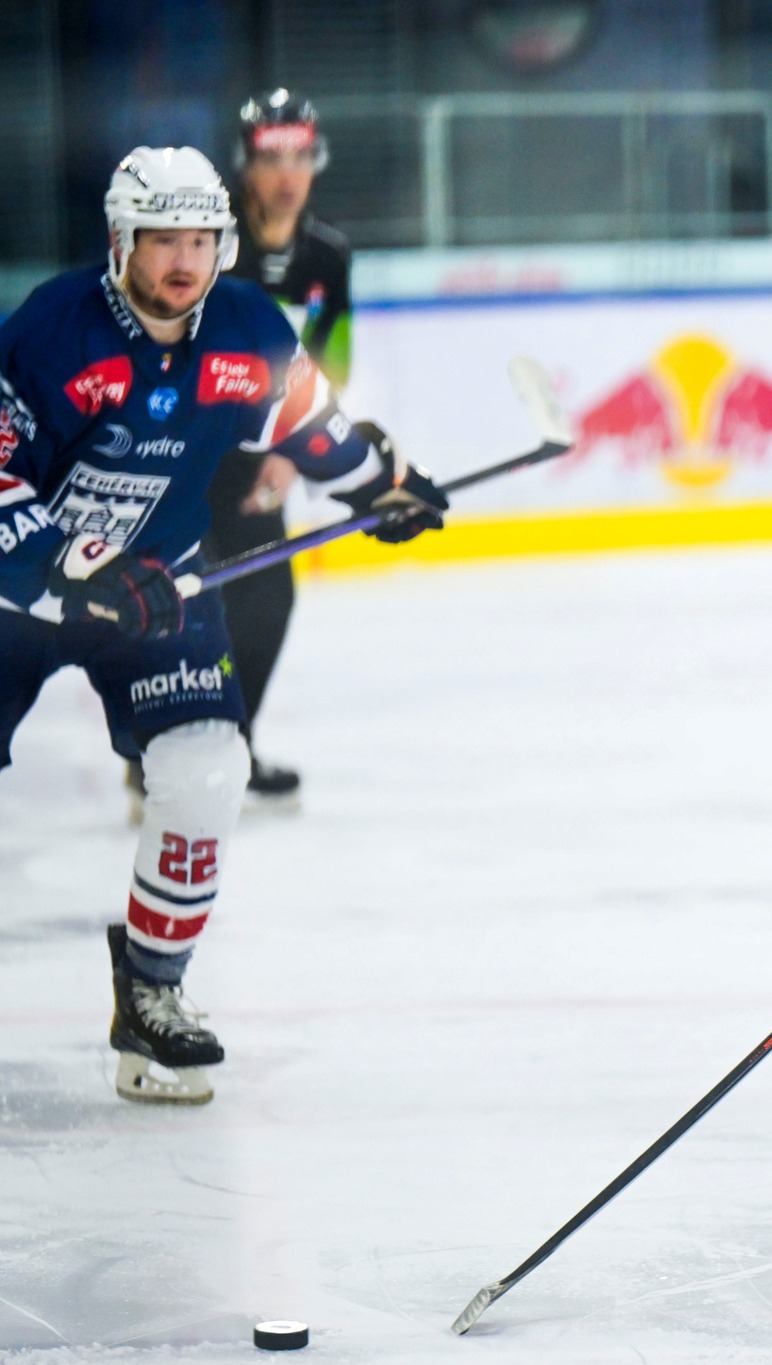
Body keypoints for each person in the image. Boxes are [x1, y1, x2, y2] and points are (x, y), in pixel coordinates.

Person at [0, 146, 447, 1105]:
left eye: (202, 238)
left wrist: (386, 488)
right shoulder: (51, 330)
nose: (184, 260)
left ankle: (152, 998)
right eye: (163, 237)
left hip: (157, 594)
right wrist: (76, 568)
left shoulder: (245, 326)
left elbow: (312, 429)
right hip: (18, 600)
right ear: (122, 240)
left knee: (209, 767)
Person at [208, 88, 355, 807]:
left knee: (266, 597)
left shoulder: (327, 257)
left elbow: (333, 362)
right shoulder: (209, 247)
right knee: (182, 604)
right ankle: (155, 749)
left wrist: (294, 452)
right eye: (271, 156)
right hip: (187, 457)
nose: (286, 173)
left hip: (265, 462)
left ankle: (233, 746)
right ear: (246, 165)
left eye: (299, 155)